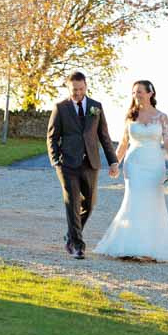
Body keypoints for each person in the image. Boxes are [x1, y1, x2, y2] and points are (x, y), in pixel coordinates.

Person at [94, 80, 168, 261]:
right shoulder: (130, 116)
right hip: (134, 164)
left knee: (152, 202)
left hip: (154, 165)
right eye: (134, 92)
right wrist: (115, 163)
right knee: (134, 201)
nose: (137, 95)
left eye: (140, 92)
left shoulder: (162, 117)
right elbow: (123, 144)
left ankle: (150, 248)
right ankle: (130, 246)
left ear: (151, 93)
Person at [47, 71, 119, 259]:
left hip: (91, 163)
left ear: (86, 86)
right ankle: (77, 246)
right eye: (74, 90)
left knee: (90, 203)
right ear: (68, 88)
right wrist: (56, 160)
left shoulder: (96, 107)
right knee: (73, 203)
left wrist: (113, 161)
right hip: (67, 164)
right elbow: (52, 136)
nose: (77, 93)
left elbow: (104, 136)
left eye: (80, 89)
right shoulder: (60, 107)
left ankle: (71, 234)